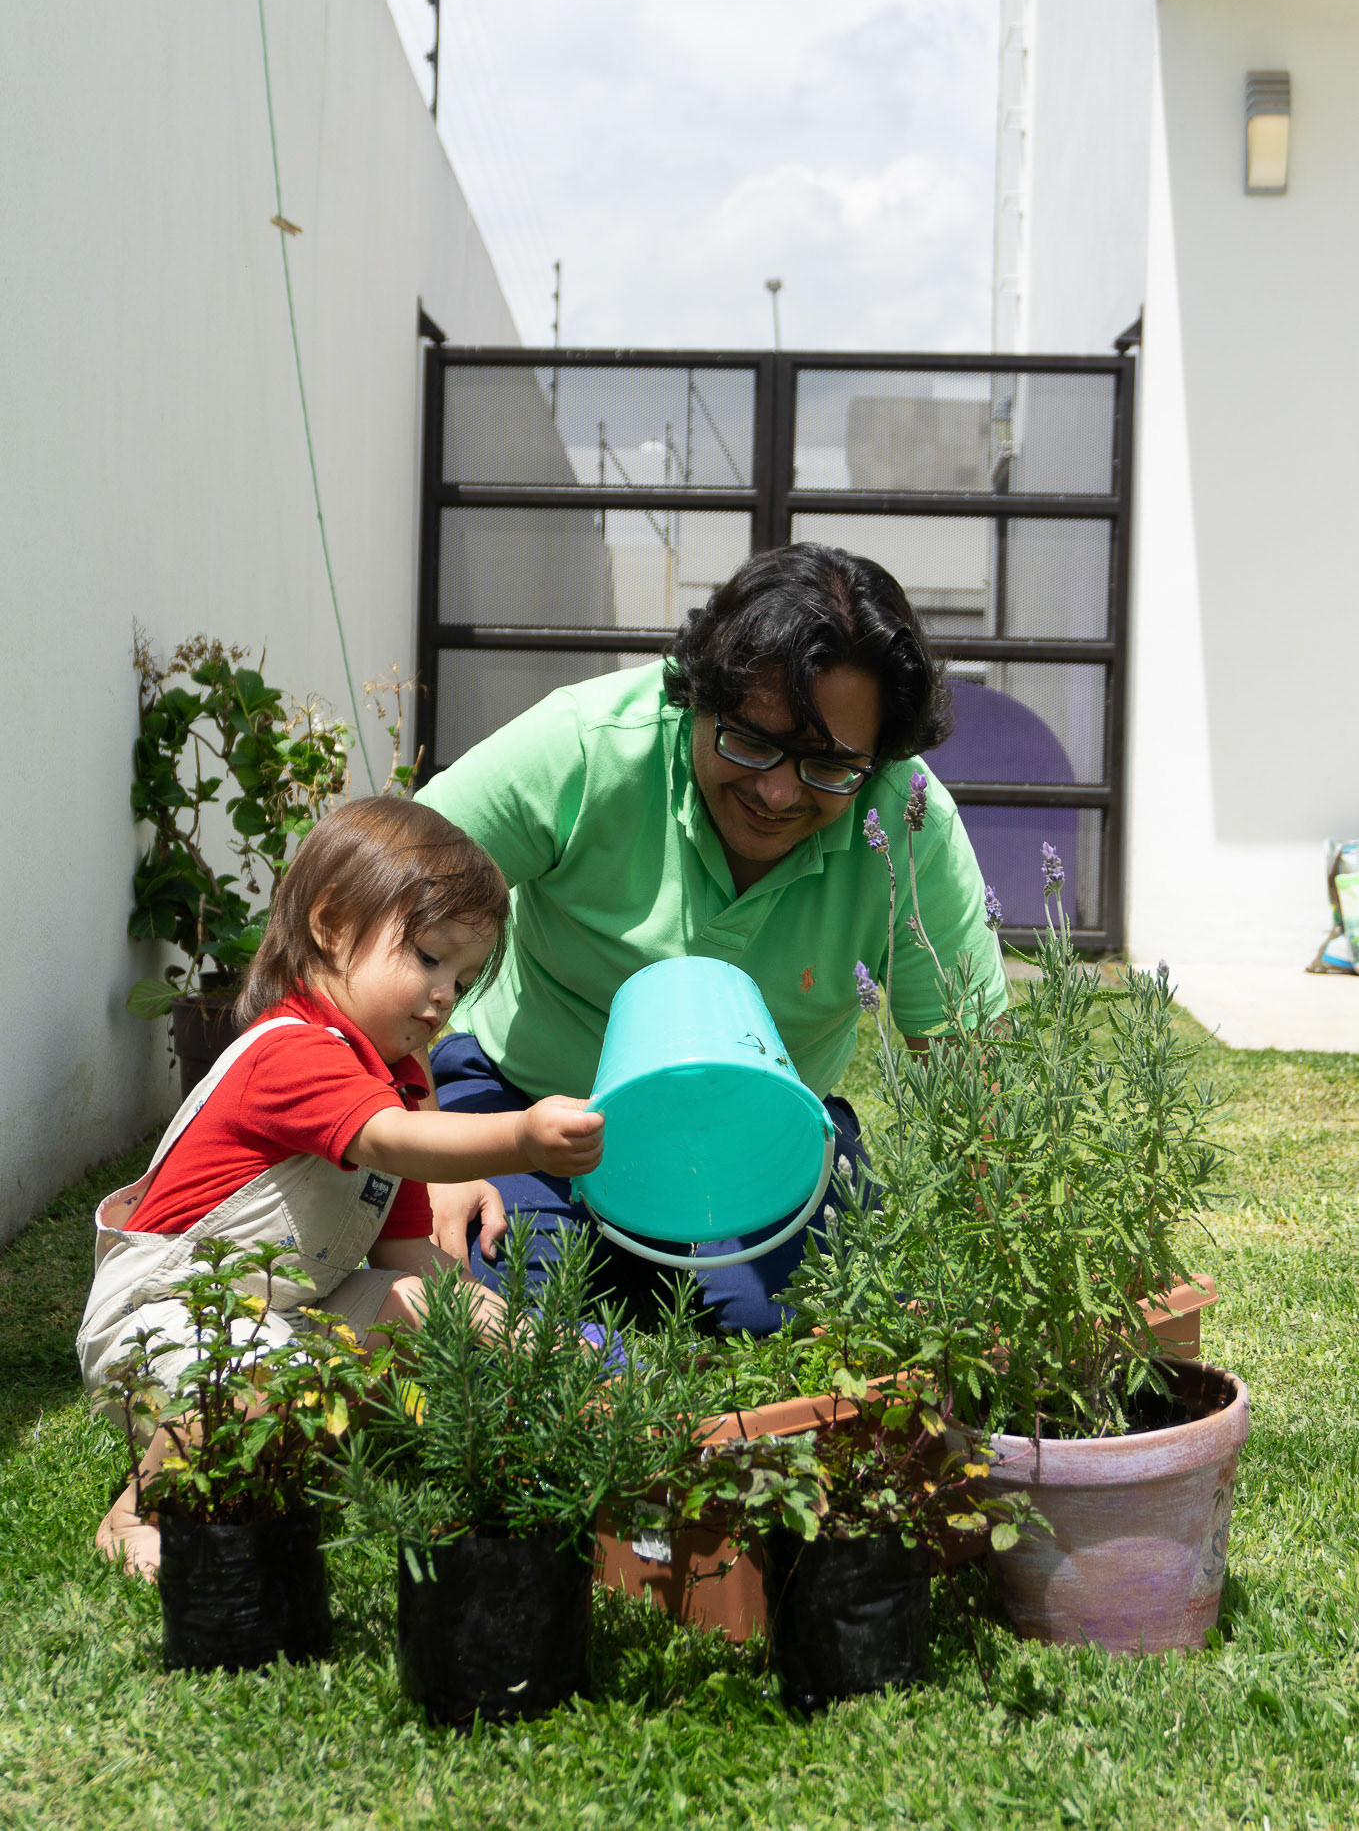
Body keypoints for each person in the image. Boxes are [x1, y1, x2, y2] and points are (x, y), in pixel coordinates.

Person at [416, 542, 1007, 1334]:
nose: (776, 791)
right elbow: (373, 912)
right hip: (527, 1108)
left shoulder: (904, 823)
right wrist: (423, 1150)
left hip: (760, 1133)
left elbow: (971, 1066)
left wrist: (1006, 1255)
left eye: (829, 766)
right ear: (697, 692)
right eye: (752, 741)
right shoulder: (589, 745)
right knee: (490, 1300)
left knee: (811, 1321)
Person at [78, 797, 603, 1577]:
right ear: (329, 926)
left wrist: (527, 1339)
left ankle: (301, 1441)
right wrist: (519, 1136)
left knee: (418, 1305)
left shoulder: (392, 1078)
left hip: (281, 1307)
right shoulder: (293, 1054)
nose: (444, 994)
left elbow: (414, 1259)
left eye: (462, 976)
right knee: (266, 1376)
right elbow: (393, 1140)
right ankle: (136, 1511)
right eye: (428, 957)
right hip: (163, 1319)